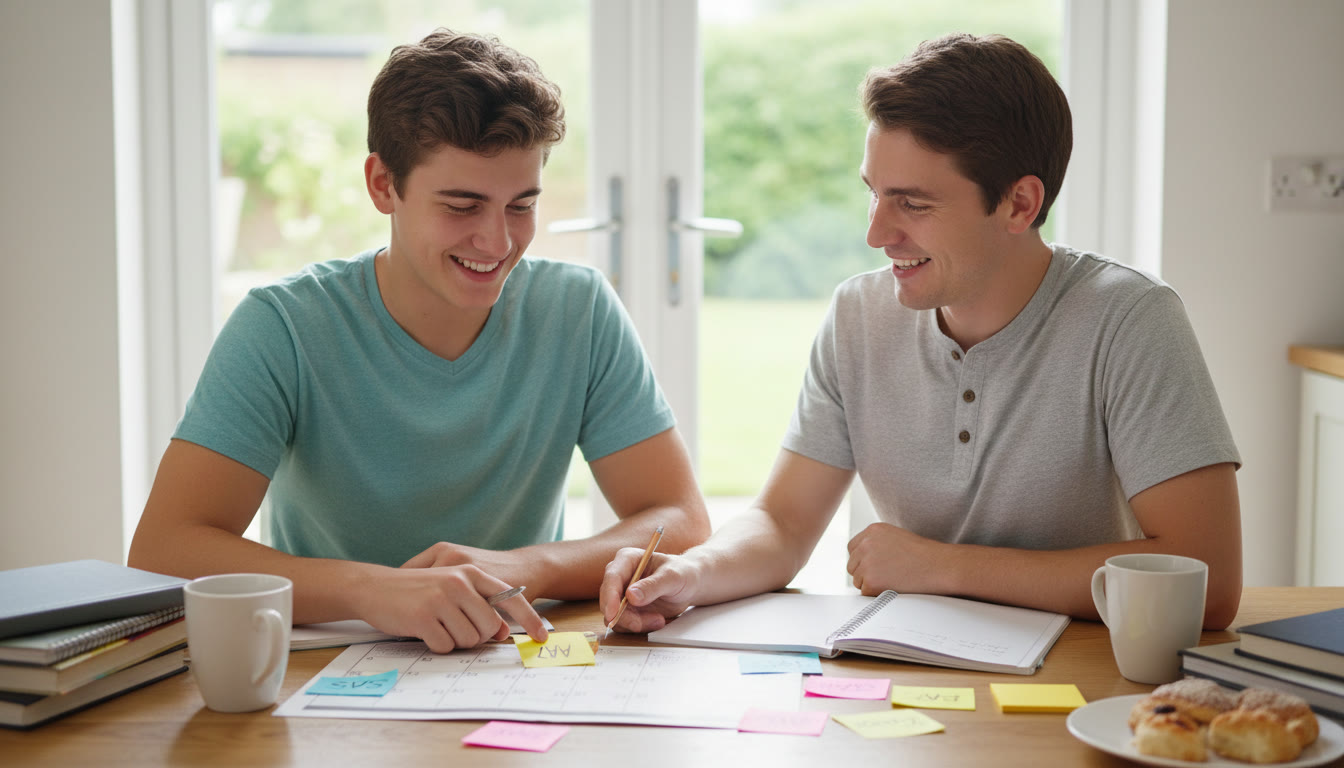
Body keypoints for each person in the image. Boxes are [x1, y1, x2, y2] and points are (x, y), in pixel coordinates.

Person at [600, 32, 1242, 634]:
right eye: (873, 194)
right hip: (916, 672)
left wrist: (945, 567)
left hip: (1082, 680)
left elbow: (1208, 581)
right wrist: (690, 573)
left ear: (1019, 203)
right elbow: (784, 521)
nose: (877, 234)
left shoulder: (1130, 320)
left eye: (914, 203)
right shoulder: (858, 314)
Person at [129, 29, 710, 653]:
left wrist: (528, 567)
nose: (498, 241)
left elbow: (680, 521)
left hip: (512, 658)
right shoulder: (284, 327)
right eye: (462, 206)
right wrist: (370, 590)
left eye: (520, 205)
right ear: (383, 185)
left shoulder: (579, 310)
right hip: (330, 668)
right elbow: (164, 551)